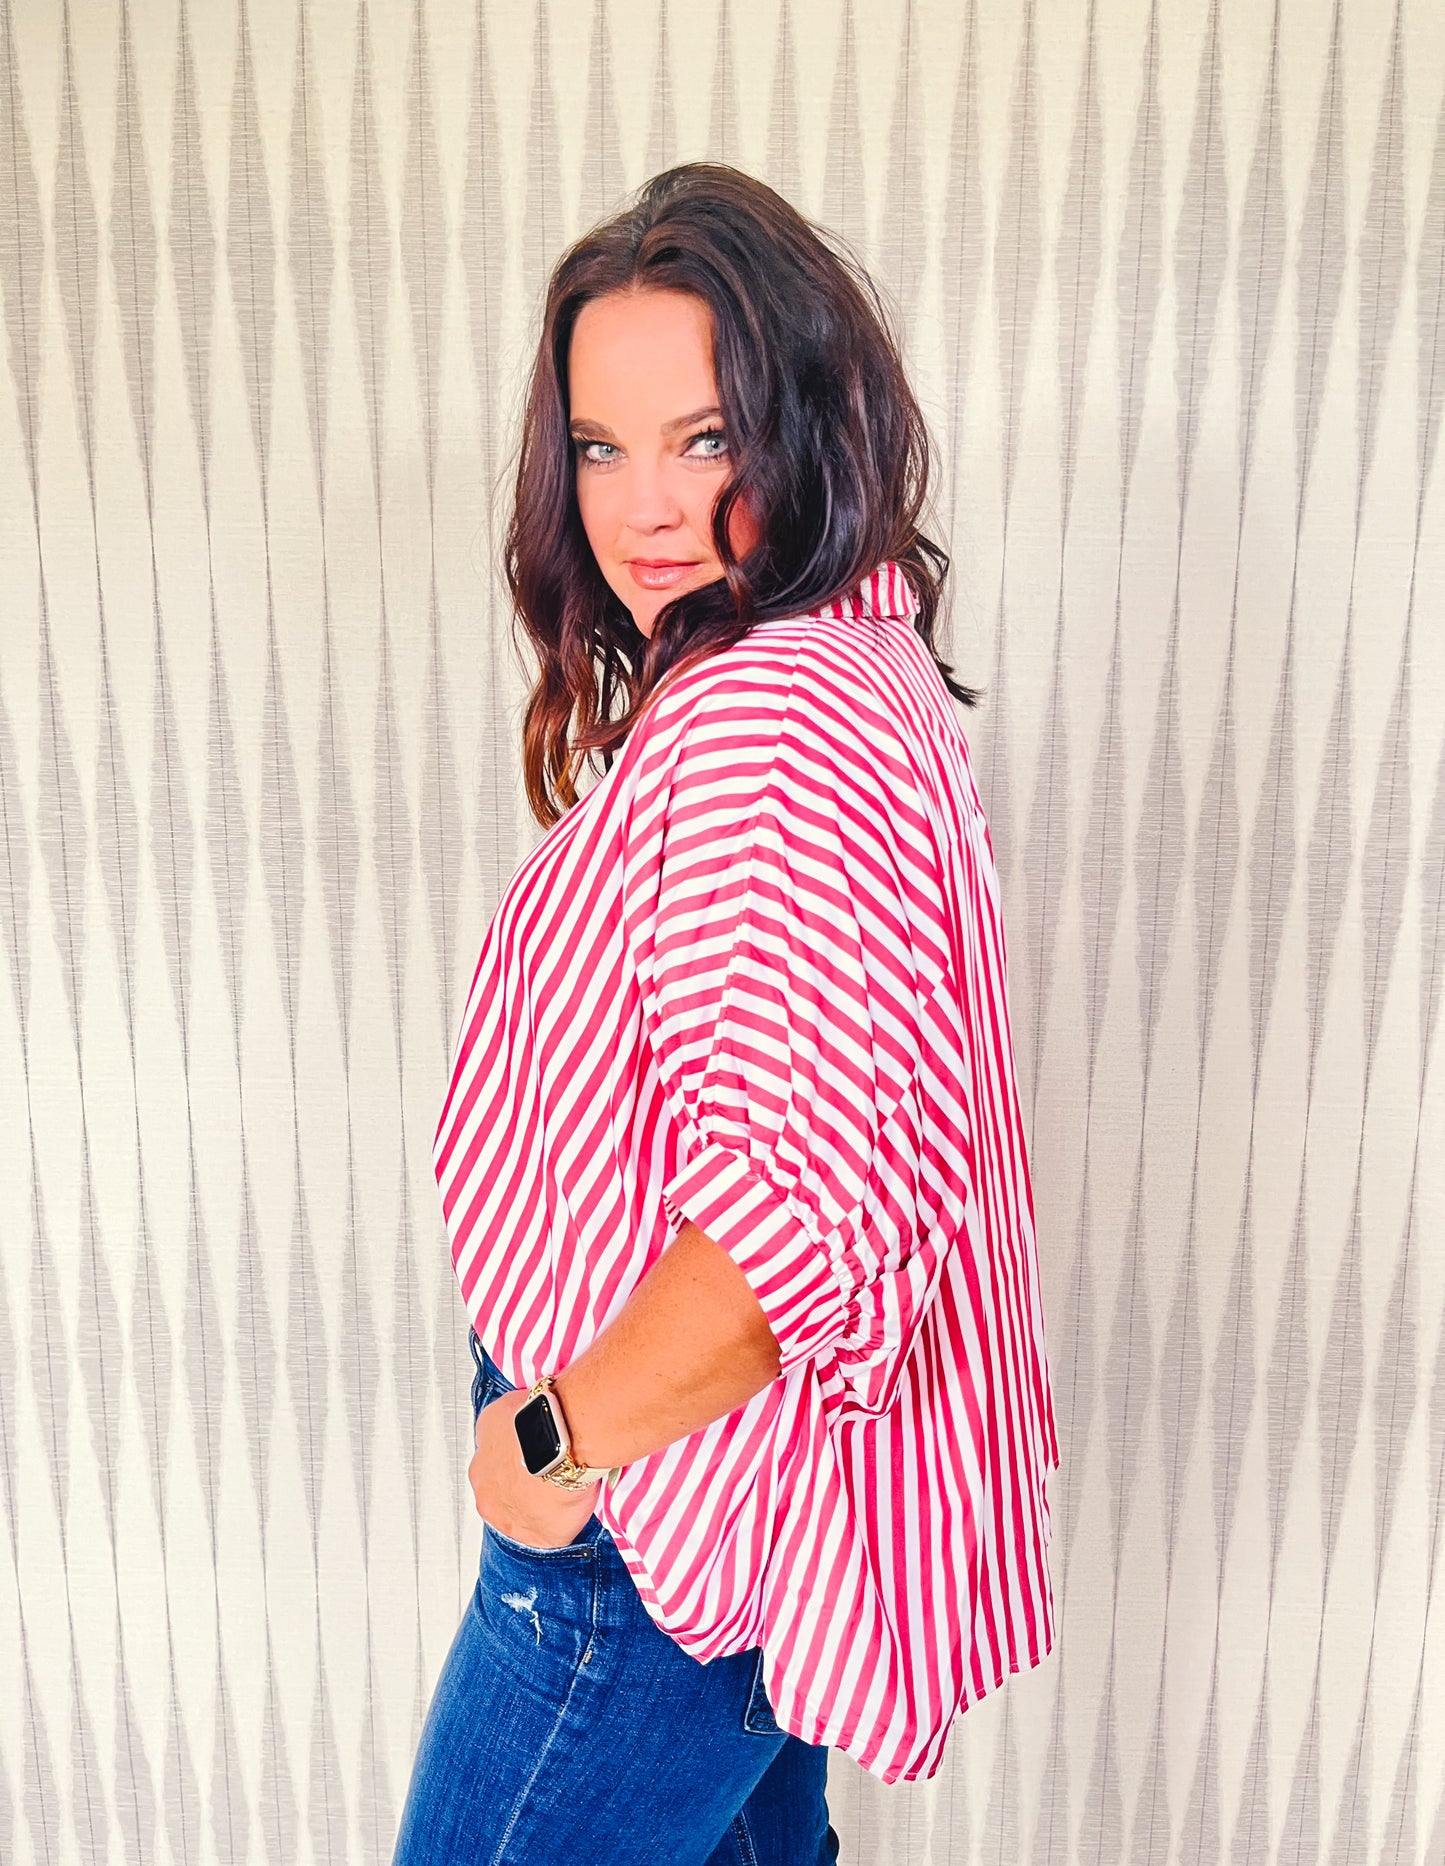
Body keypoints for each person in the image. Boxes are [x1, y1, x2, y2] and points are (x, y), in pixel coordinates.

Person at [392, 162, 1060, 1866]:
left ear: (805, 427)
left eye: (705, 438)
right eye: (602, 446)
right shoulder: (850, 653)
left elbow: (794, 1225)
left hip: (651, 1522)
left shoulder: (769, 714)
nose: (645, 508)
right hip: (738, 1499)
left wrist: (550, 1438)